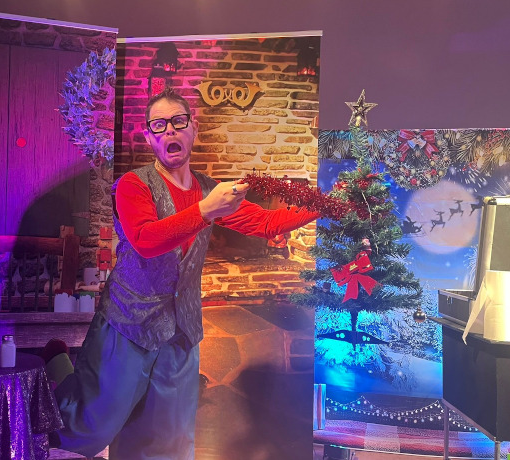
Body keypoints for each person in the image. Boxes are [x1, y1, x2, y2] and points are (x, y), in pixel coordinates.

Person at [43, 88, 319, 459]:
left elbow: (268, 222)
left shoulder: (210, 190)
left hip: (181, 330)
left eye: (178, 121)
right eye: (159, 125)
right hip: (128, 322)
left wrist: (328, 203)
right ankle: (56, 364)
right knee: (89, 427)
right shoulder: (134, 185)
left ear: (193, 129)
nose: (169, 130)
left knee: (166, 441)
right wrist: (206, 210)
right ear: (149, 137)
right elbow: (146, 241)